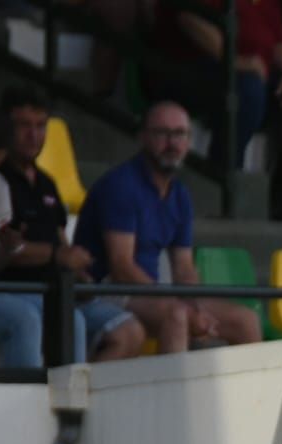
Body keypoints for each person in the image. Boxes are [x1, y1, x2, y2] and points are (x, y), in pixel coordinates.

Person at [73, 102, 263, 355]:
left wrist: (197, 307)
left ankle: (253, 395)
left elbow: (184, 267)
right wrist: (180, 306)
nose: (172, 143)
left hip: (149, 292)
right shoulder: (121, 185)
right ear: (143, 137)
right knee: (177, 316)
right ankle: (177, 395)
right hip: (106, 290)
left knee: (245, 320)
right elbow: (121, 267)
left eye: (180, 134)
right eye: (162, 133)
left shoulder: (180, 195)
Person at [0, 88, 145, 362]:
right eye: (24, 125)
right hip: (18, 292)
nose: (34, 135)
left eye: (40, 126)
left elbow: (60, 238)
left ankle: (90, 402)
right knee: (69, 322)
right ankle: (65, 400)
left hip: (62, 292)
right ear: (6, 127)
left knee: (129, 331)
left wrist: (79, 274)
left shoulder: (46, 183)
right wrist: (56, 255)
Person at [156, 0, 282, 219]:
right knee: (247, 89)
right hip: (193, 68)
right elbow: (190, 20)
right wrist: (236, 61)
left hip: (252, 74)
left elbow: (280, 46)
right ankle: (222, 187)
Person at [0, 107, 79, 369]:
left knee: (69, 316)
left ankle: (74, 401)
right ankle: (28, 405)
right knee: (23, 319)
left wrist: (6, 249)